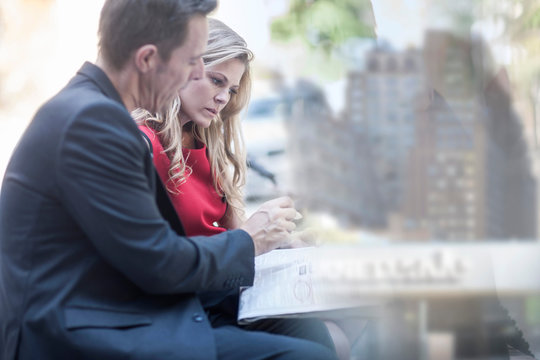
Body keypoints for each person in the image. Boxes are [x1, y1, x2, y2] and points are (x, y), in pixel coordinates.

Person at [0, 1, 337, 360]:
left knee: (311, 334)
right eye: (192, 61)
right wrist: (250, 241)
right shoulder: (93, 123)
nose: (194, 75)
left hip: (118, 312)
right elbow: (160, 264)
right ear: (147, 59)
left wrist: (266, 249)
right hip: (84, 334)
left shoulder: (91, 111)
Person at [135, 17, 337, 355]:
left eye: (230, 90)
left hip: (216, 297)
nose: (223, 99)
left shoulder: (204, 145)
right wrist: (249, 239)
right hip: (174, 311)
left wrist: (279, 244)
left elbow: (219, 239)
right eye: (217, 81)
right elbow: (154, 257)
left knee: (317, 331)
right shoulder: (141, 144)